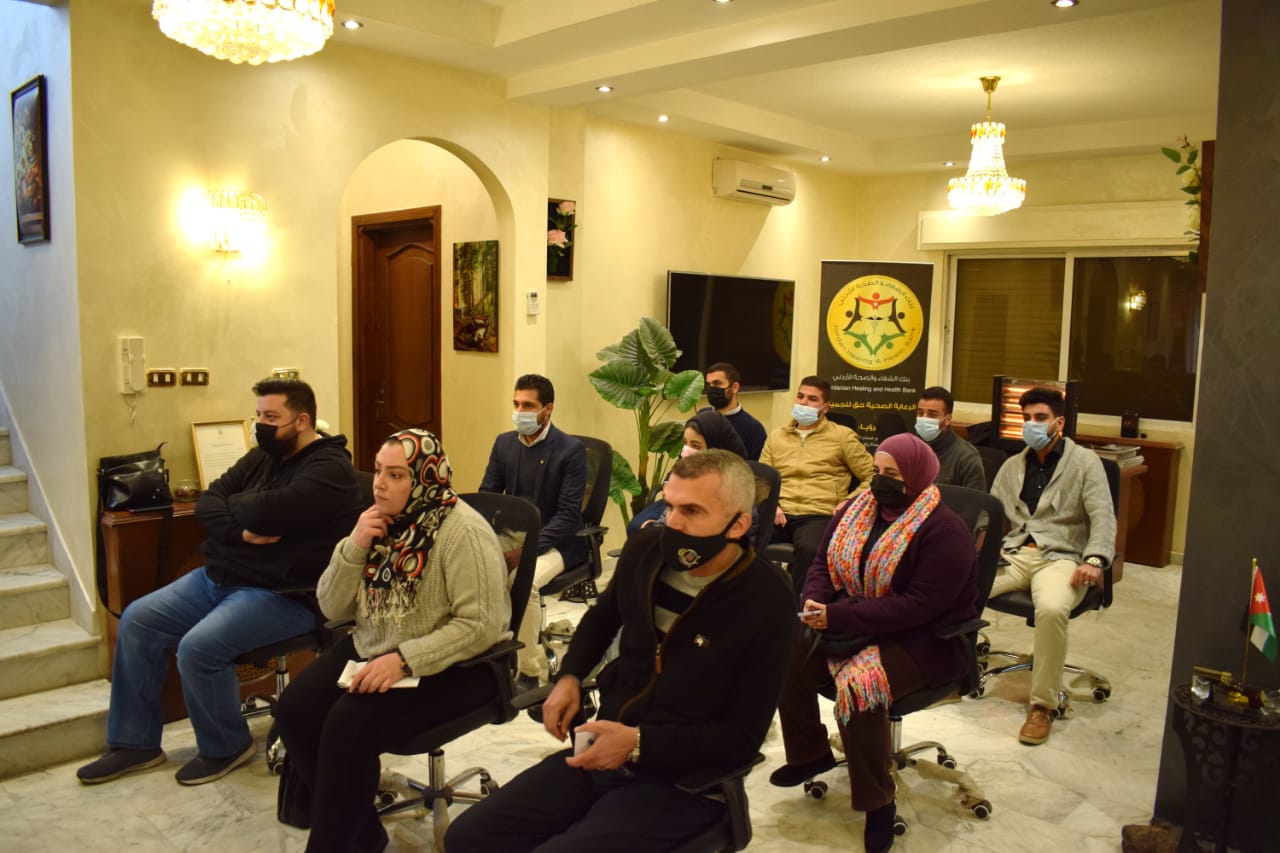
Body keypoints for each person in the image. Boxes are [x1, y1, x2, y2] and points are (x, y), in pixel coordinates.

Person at [444, 450, 795, 852]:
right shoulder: (647, 550)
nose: (673, 522)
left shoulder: (767, 599)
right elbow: (602, 619)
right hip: (606, 750)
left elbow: (742, 738)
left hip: (684, 783)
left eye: (693, 511)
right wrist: (570, 677)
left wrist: (639, 742)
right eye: (670, 505)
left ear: (739, 524)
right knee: (467, 839)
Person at [77, 378, 361, 786]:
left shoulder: (329, 470)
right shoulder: (263, 456)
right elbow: (209, 500)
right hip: (222, 576)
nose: (261, 425)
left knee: (199, 647)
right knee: (138, 620)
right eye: (258, 415)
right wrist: (240, 530)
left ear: (301, 421)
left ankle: (226, 745)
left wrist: (238, 507)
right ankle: (134, 743)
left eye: (271, 417)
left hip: (285, 593)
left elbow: (263, 511)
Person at [272, 428, 509, 853]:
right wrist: (356, 545)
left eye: (396, 475)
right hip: (377, 644)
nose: (379, 483)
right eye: (379, 470)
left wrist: (404, 659)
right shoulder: (380, 523)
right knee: (294, 710)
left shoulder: (463, 532)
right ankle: (362, 835)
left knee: (346, 727)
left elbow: (480, 626)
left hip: (456, 665)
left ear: (425, 478)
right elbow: (331, 606)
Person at [769, 433, 977, 853]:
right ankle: (809, 755)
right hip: (853, 619)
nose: (880, 481)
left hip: (923, 640)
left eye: (892, 474)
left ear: (916, 477)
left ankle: (878, 801)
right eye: (877, 471)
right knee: (783, 653)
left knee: (860, 689)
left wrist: (837, 616)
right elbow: (823, 563)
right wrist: (815, 600)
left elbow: (918, 607)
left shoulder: (944, 532)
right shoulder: (855, 509)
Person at [989, 386, 1115, 745]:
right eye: (1027, 418)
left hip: (1061, 557)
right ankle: (952, 674)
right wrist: (980, 549)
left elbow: (1103, 515)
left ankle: (1043, 706)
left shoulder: (1085, 462)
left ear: (1059, 422)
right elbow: (991, 513)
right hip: (1015, 554)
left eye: (1040, 418)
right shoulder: (1012, 466)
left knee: (1051, 608)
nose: (1032, 424)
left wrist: (1095, 559)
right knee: (956, 587)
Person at [479, 373, 586, 688]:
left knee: (523, 581)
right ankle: (491, 653)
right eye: (516, 404)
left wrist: (524, 552)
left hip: (558, 541)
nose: (519, 412)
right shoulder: (504, 444)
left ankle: (529, 670)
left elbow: (567, 516)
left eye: (528, 405)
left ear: (547, 409)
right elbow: (487, 494)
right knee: (477, 568)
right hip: (512, 533)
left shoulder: (570, 450)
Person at [760, 375, 875, 596]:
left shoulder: (842, 436)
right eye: (800, 397)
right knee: (741, 538)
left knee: (810, 550)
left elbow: (872, 475)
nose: (803, 403)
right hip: (780, 513)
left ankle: (798, 607)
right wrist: (772, 505)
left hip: (818, 513)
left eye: (812, 399)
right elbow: (763, 479)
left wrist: (848, 502)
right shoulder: (776, 437)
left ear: (825, 408)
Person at [626, 408, 748, 535]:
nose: (687, 450)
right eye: (685, 443)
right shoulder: (690, 459)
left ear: (714, 448)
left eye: (695, 446)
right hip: (677, 499)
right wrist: (669, 484)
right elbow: (676, 471)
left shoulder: (732, 480)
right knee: (636, 527)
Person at [914, 385, 986, 491]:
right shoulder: (908, 448)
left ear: (948, 419)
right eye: (920, 413)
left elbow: (976, 499)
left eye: (932, 415)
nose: (924, 418)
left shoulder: (966, 456)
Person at [703, 361, 767, 460]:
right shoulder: (702, 417)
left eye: (717, 384)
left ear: (735, 387)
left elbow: (754, 467)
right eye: (709, 385)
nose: (712, 389)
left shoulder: (753, 429)